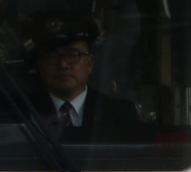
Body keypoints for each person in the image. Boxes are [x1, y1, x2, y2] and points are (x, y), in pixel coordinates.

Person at [23, 14, 150, 146]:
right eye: (52, 57)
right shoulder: (22, 112)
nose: (63, 65)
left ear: (89, 64)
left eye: (73, 55)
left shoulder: (120, 114)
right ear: (40, 65)